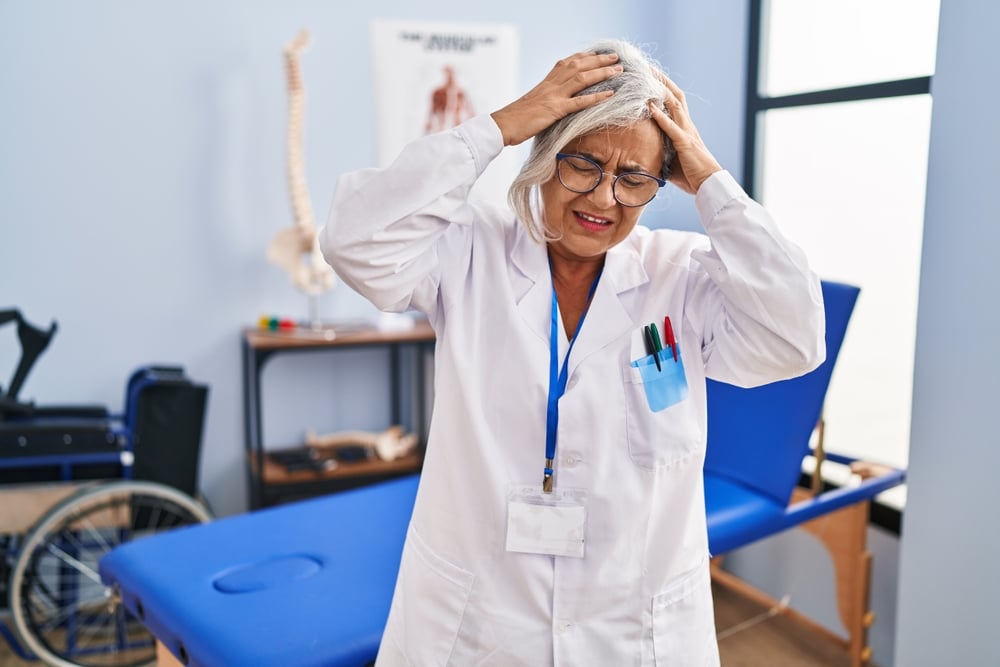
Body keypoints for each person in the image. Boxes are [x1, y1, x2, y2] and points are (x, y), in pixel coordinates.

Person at [321, 38, 825, 667]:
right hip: (483, 622)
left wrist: (711, 181)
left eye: (634, 178)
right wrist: (498, 128)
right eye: (582, 164)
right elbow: (353, 241)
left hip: (634, 628)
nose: (603, 198)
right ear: (544, 154)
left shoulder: (679, 275)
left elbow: (795, 339)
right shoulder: (471, 251)